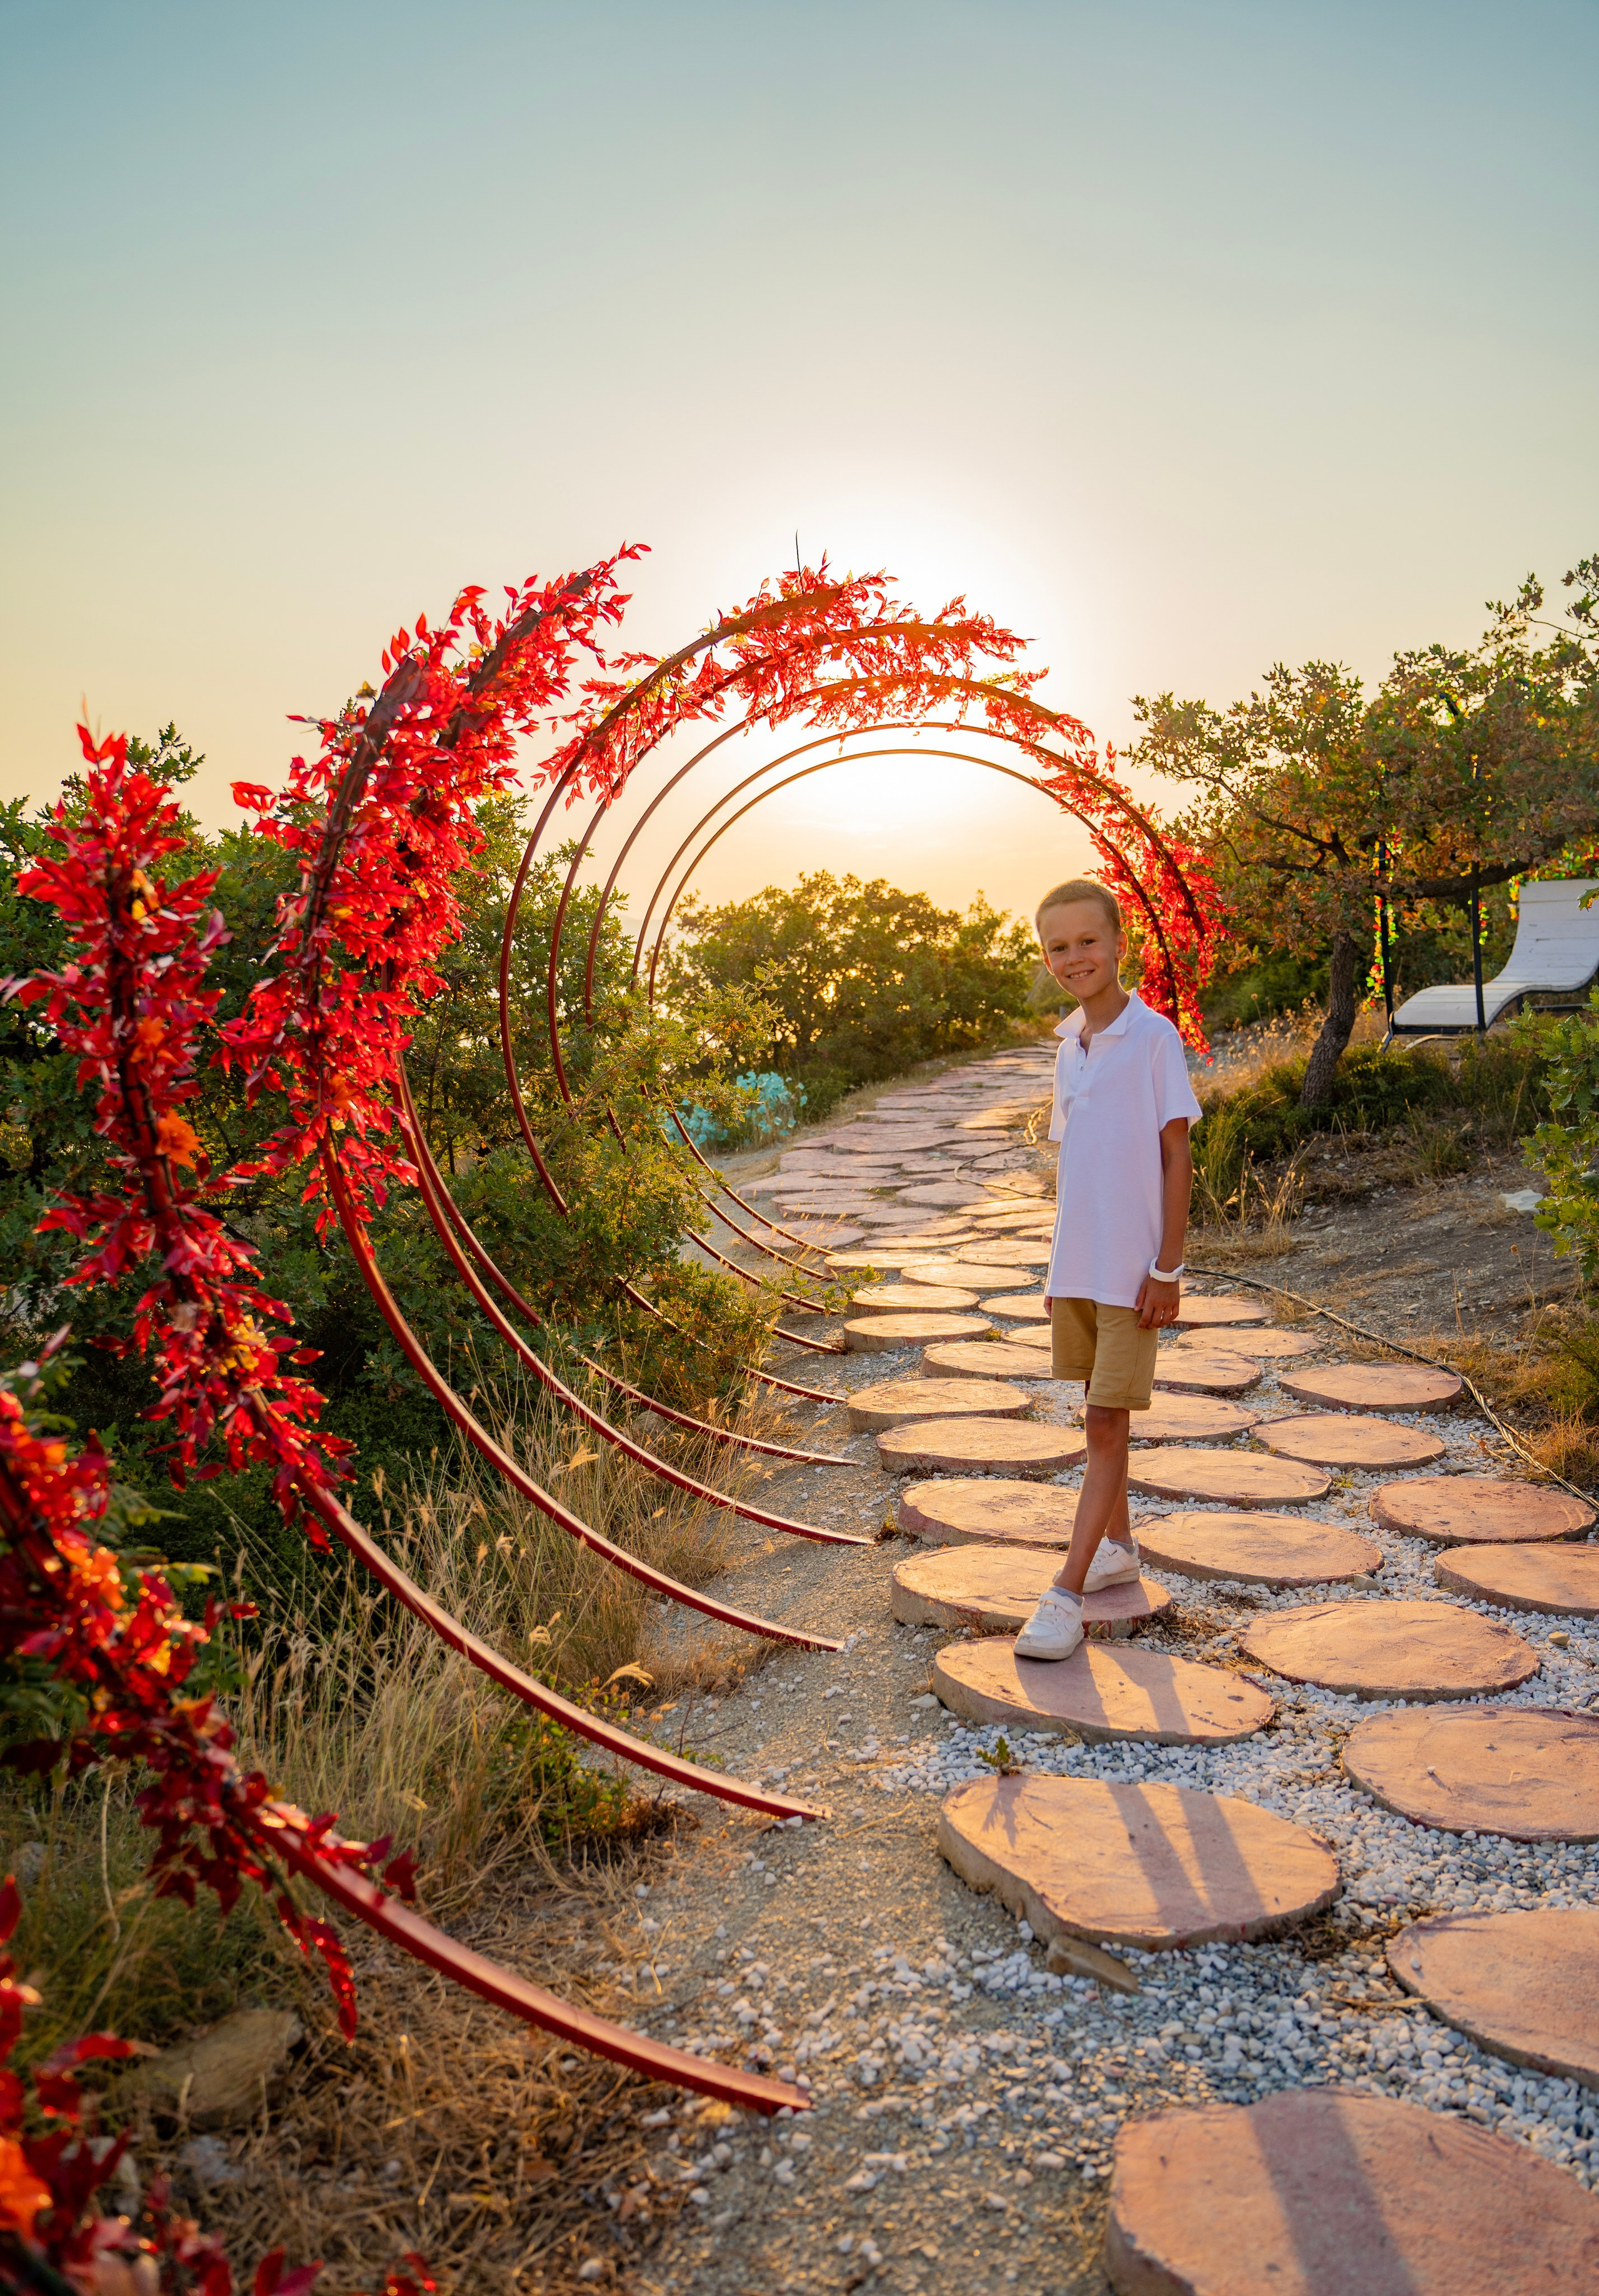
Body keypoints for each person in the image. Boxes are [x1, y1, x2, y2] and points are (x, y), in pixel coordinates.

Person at [1014, 878, 1200, 1662]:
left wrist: (1167, 1268)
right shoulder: (1069, 1048)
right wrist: (1056, 1268)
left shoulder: (1153, 1039)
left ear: (1121, 943)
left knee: (1104, 1423)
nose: (1074, 958)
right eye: (1058, 947)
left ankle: (1064, 1594)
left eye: (1087, 941)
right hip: (1080, 1269)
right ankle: (1119, 1549)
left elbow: (1175, 1156)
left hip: (1130, 1273)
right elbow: (1078, 1170)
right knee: (1097, 1415)